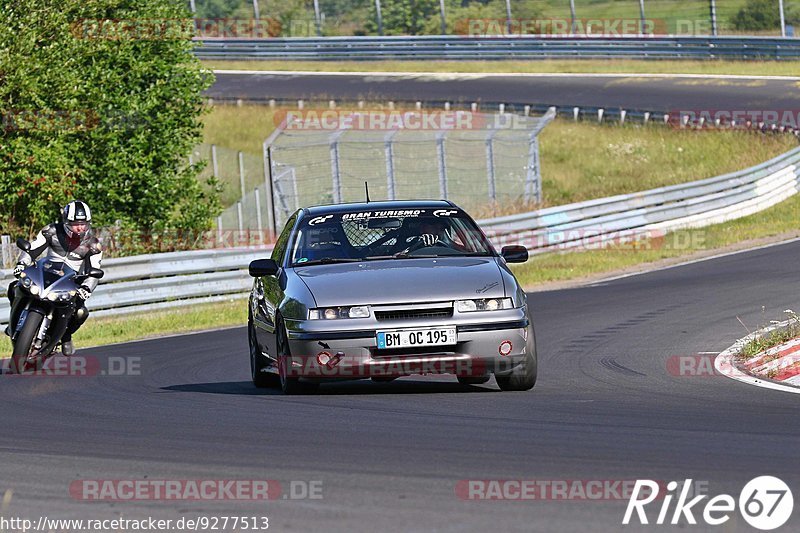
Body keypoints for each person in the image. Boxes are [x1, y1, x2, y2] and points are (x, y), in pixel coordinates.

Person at [5, 200, 103, 356]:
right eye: (75, 223)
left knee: (80, 313)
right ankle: (13, 324)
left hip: (71, 282)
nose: (80, 228)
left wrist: (86, 288)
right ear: (65, 221)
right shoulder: (51, 231)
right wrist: (22, 264)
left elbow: (95, 270)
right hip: (46, 272)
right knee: (14, 287)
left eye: (84, 224)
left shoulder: (93, 245)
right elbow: (32, 249)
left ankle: (66, 336)